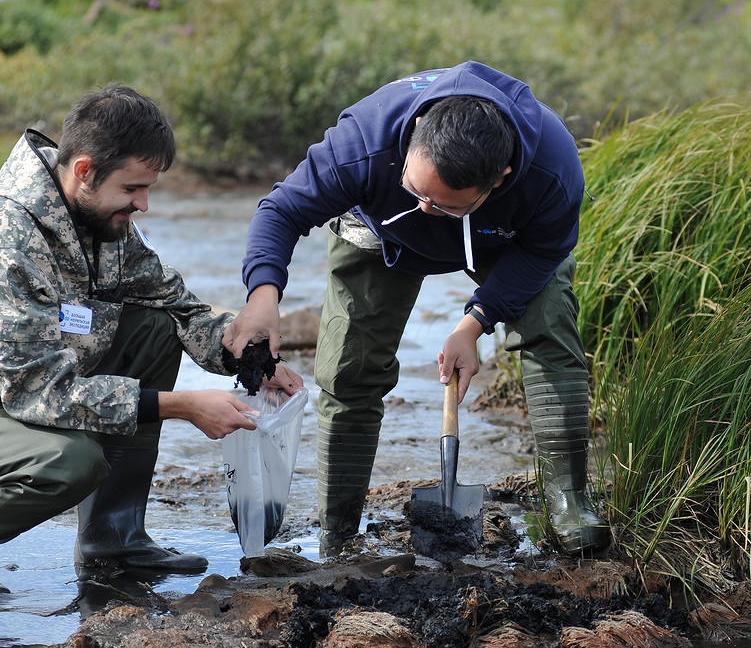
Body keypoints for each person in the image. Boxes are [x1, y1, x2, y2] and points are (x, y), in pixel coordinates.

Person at [0, 84, 303, 602]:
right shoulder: (1, 239)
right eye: (134, 188)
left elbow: (177, 306)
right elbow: (38, 392)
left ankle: (112, 540)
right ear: (83, 170)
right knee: (71, 462)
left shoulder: (102, 224)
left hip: (10, 406)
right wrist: (180, 406)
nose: (143, 204)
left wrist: (251, 360)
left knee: (154, 328)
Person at [223, 61, 609, 558]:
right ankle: (339, 531)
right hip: (378, 226)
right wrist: (262, 297)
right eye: (418, 189)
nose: (427, 207)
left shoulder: (551, 171)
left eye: (445, 204)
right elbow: (281, 210)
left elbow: (542, 253)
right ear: (415, 138)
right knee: (349, 366)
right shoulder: (367, 140)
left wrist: (474, 323)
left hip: (501, 239)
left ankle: (569, 504)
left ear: (501, 178)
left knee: (550, 332)